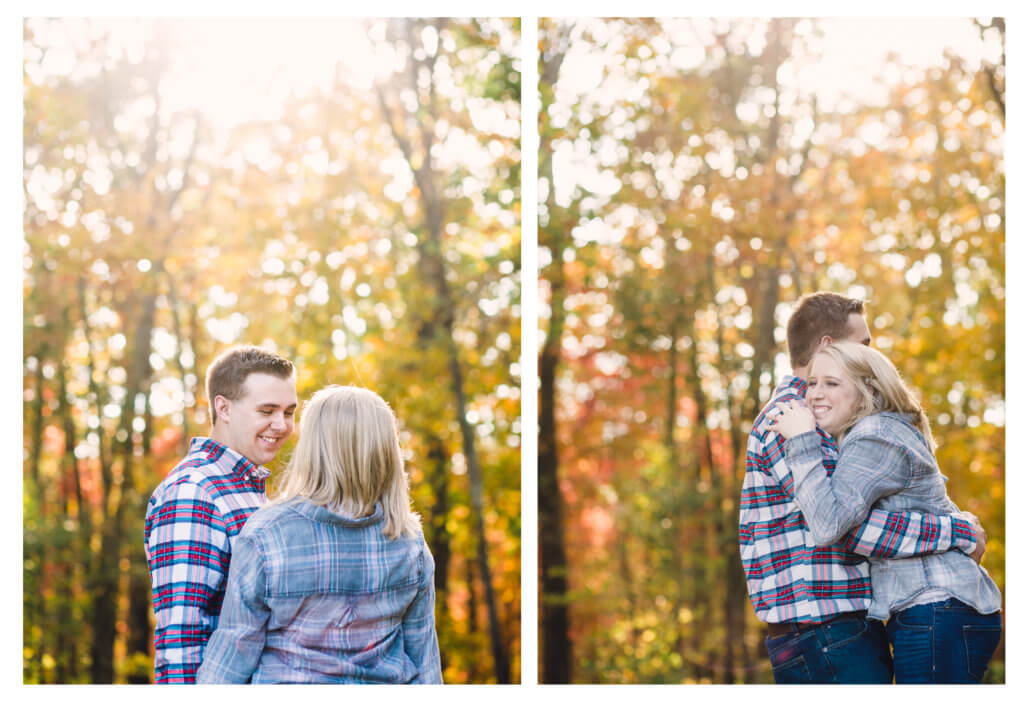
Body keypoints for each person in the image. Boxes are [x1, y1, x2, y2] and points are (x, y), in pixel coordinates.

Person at [739, 291, 984, 684]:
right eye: (865, 344)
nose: (873, 355)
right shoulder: (799, 420)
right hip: (825, 630)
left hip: (822, 631)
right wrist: (957, 531)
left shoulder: (822, 416)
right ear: (829, 347)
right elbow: (843, 525)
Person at [196, 385, 442, 684]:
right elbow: (425, 661)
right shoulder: (409, 542)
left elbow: (234, 653)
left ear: (313, 446)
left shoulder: (266, 535)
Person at [144, 345, 297, 684]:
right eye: (267, 410)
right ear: (224, 408)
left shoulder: (247, 489)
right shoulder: (194, 493)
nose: (281, 425)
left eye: (288, 412)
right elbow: (180, 640)